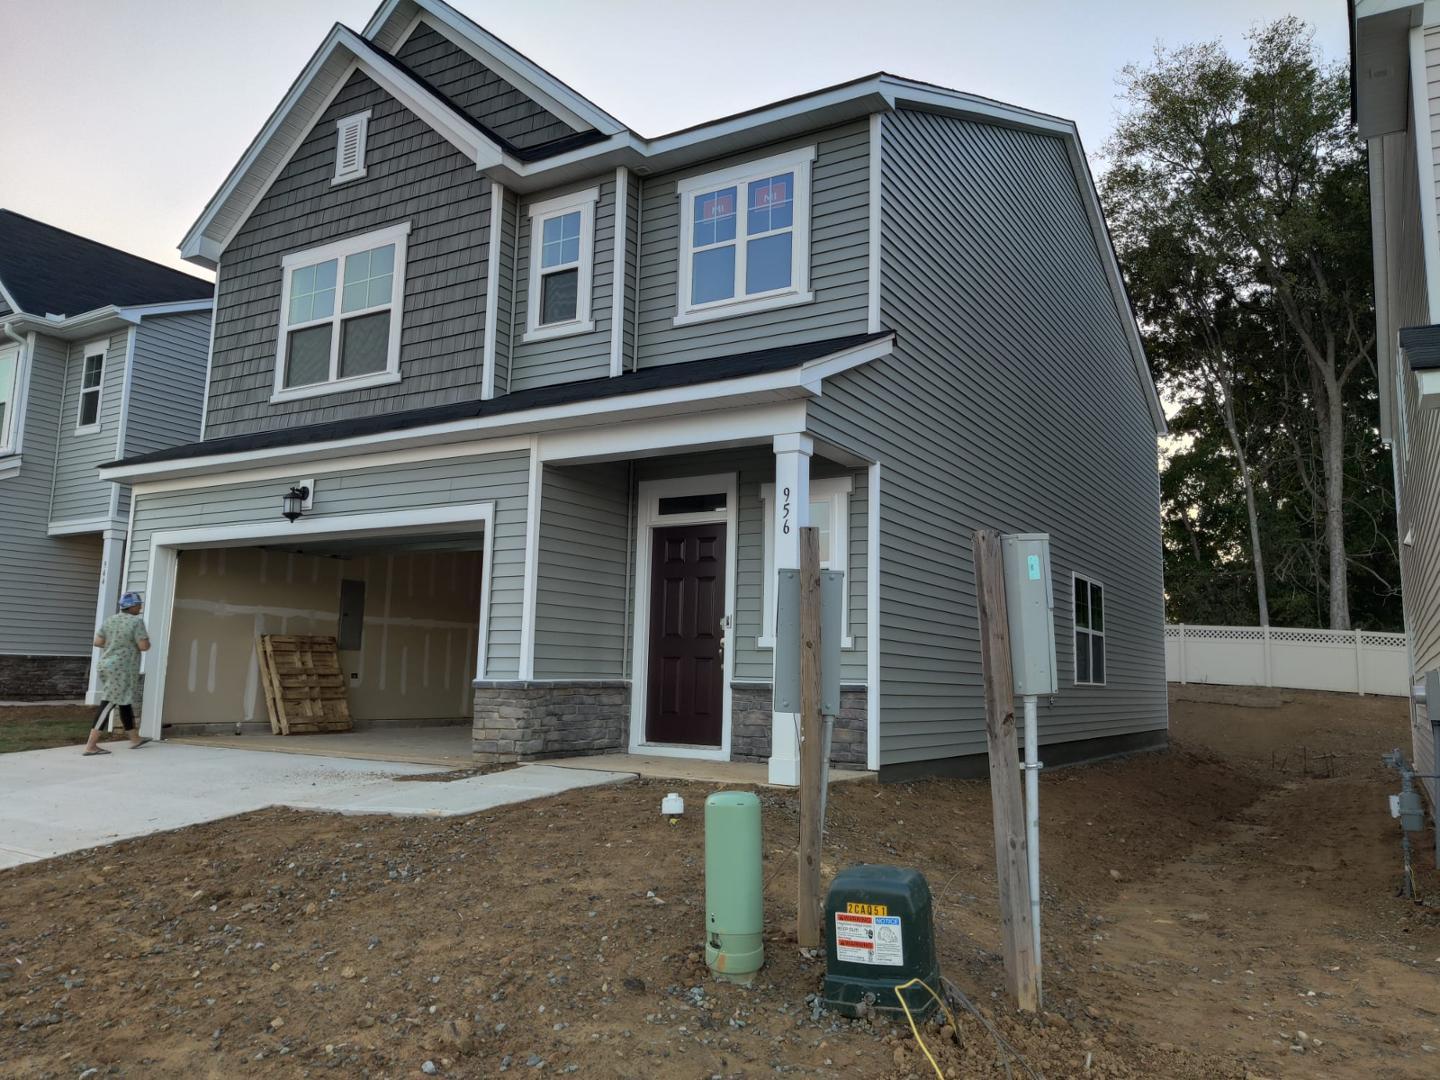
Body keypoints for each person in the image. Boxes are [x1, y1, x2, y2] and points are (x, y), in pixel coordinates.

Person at [83, 592, 152, 756]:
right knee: (108, 703)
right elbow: (143, 646)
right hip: (121, 670)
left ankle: (135, 739)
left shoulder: (110, 620)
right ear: (133, 606)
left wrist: (116, 643)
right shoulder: (136, 622)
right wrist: (142, 642)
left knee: (124, 701)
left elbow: (98, 642)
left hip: (107, 665)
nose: (140, 607)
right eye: (139, 604)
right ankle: (91, 745)